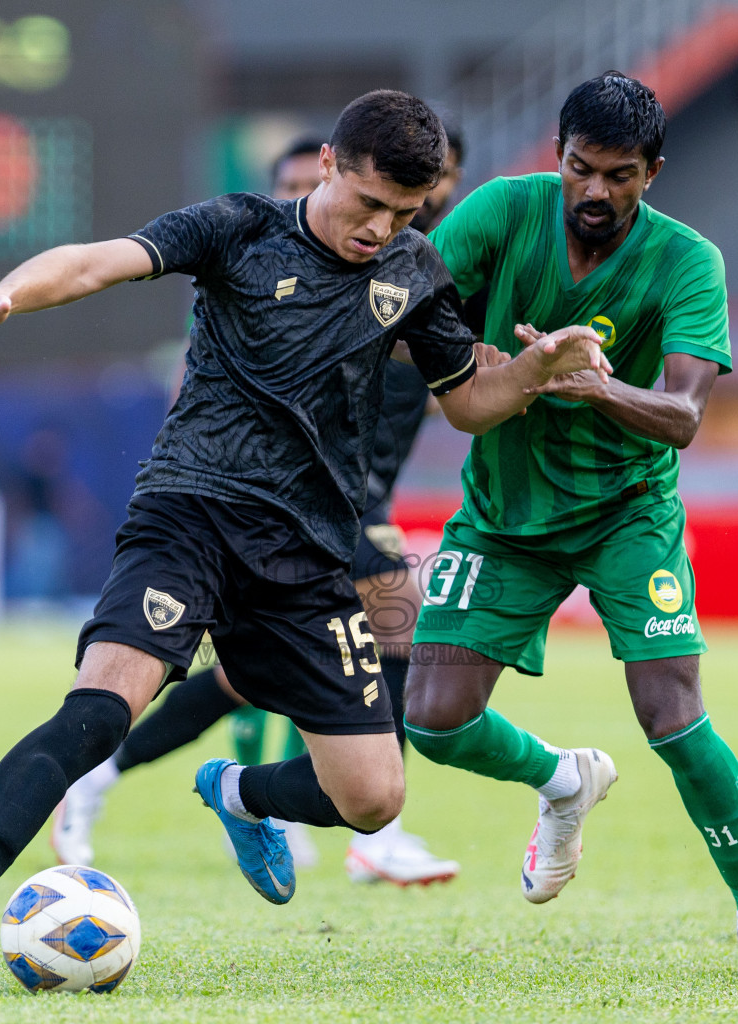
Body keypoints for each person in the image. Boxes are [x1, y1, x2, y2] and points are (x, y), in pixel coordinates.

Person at [0, 89, 607, 989]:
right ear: (330, 167)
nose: (380, 229)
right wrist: (3, 295)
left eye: (404, 213)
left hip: (309, 558)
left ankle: (236, 794)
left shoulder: (417, 271)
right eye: (369, 203)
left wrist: (538, 370)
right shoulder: (236, 228)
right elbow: (94, 263)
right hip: (190, 512)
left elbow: (468, 401)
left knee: (376, 800)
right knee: (101, 710)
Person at [401, 73, 738, 980]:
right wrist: (467, 354)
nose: (596, 193)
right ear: (558, 155)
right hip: (505, 514)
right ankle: (562, 779)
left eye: (619, 176)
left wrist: (595, 386)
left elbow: (683, 416)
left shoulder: (686, 261)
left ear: (653, 172)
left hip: (629, 511)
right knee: (431, 720)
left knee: (672, 716)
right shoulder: (502, 212)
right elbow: (405, 299)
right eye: (582, 170)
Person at [49, 129, 472, 886]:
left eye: (429, 193)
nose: (416, 207)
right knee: (400, 613)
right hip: (298, 502)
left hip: (332, 504)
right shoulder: (269, 260)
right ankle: (372, 826)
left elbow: (458, 390)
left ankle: (120, 774)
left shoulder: (416, 273)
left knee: (252, 677)